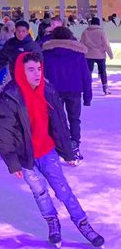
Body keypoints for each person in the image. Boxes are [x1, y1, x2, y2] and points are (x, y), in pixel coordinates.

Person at [0, 53, 104, 249]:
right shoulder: (11, 96)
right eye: (31, 69)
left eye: (39, 69)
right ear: (21, 71)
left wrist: (68, 153)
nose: (37, 74)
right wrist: (12, 163)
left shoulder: (48, 90)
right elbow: (4, 133)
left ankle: (83, 223)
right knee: (40, 192)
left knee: (63, 190)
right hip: (25, 158)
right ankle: (52, 222)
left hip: (47, 152)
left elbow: (60, 124)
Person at [42, 26, 91, 161]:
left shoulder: (47, 54)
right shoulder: (78, 53)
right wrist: (87, 96)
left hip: (53, 91)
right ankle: (74, 147)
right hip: (74, 90)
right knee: (74, 119)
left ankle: (57, 147)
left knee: (56, 120)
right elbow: (85, 75)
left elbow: (43, 75)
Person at [0, 20, 39, 84]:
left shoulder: (32, 45)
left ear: (27, 32)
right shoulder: (10, 44)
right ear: (15, 31)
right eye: (18, 31)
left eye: (23, 31)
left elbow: (39, 62)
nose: (20, 33)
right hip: (13, 77)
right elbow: (2, 59)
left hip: (29, 79)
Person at [80, 17, 113, 95]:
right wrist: (110, 54)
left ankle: (87, 88)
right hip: (100, 55)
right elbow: (106, 44)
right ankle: (105, 89)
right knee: (102, 72)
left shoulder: (85, 32)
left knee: (88, 73)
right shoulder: (101, 32)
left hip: (88, 55)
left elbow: (81, 43)